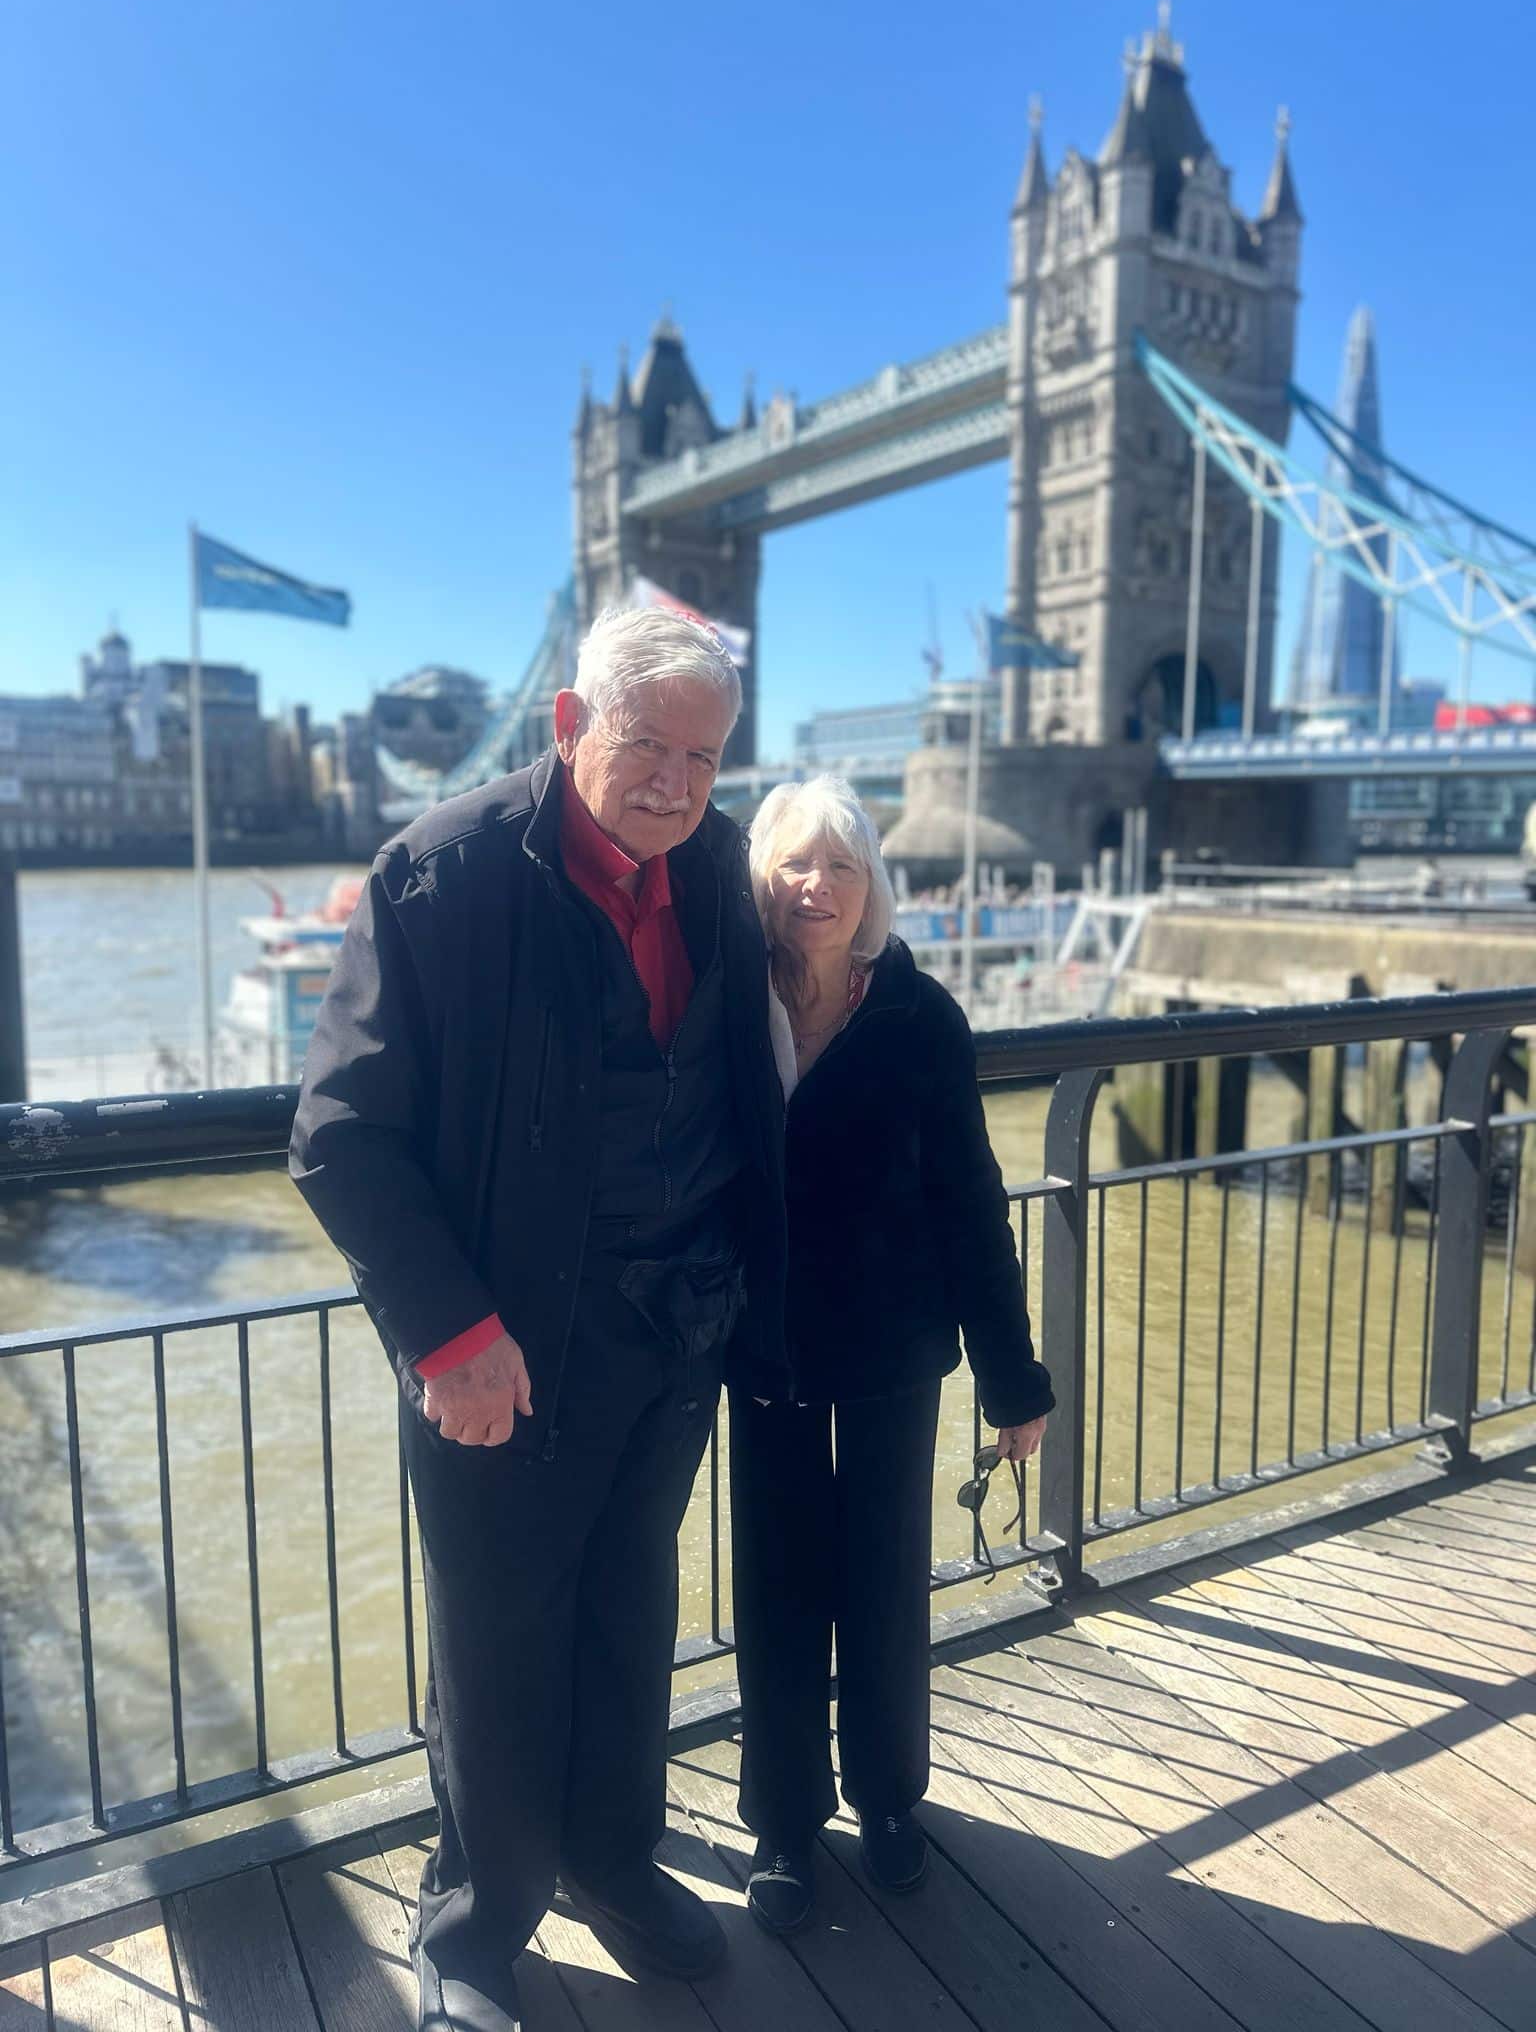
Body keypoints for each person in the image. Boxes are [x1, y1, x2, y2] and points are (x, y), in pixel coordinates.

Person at [290, 607, 790, 2032]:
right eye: (648, 746)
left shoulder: (719, 865)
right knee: (499, 1640)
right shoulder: (440, 874)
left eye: (704, 758)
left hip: (673, 1328)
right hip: (503, 1348)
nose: (677, 784)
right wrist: (447, 1336)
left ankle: (612, 1860)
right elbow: (340, 1133)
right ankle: (475, 1922)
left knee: (631, 1613)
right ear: (570, 724)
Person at [730, 775, 1053, 1935]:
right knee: (774, 1585)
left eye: (842, 864)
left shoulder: (921, 1018)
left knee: (881, 1581)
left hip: (892, 1345)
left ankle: (886, 1795)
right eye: (795, 862)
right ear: (761, 878)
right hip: (764, 1344)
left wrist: (1012, 1376)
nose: (817, 885)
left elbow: (971, 1199)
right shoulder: (726, 1002)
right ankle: (782, 1818)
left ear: (871, 887)